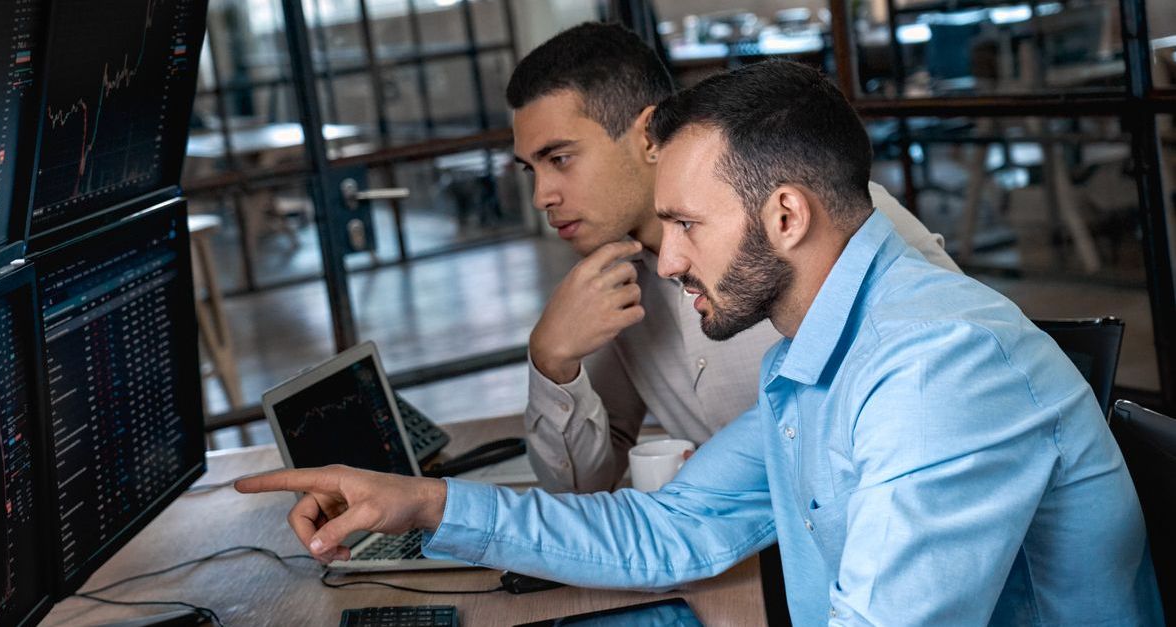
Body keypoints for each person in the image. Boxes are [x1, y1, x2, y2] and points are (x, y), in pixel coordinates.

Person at [237, 61, 1161, 625]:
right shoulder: (819, 355)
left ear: (787, 214)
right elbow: (668, 525)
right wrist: (427, 505)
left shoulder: (934, 366)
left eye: (686, 224)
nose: (665, 257)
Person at [507, 23, 960, 492]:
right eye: (530, 170)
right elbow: (581, 485)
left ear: (647, 136)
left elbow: (951, 377)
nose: (541, 196)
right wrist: (551, 360)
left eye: (559, 159)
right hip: (737, 544)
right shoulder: (615, 279)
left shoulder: (829, 214)